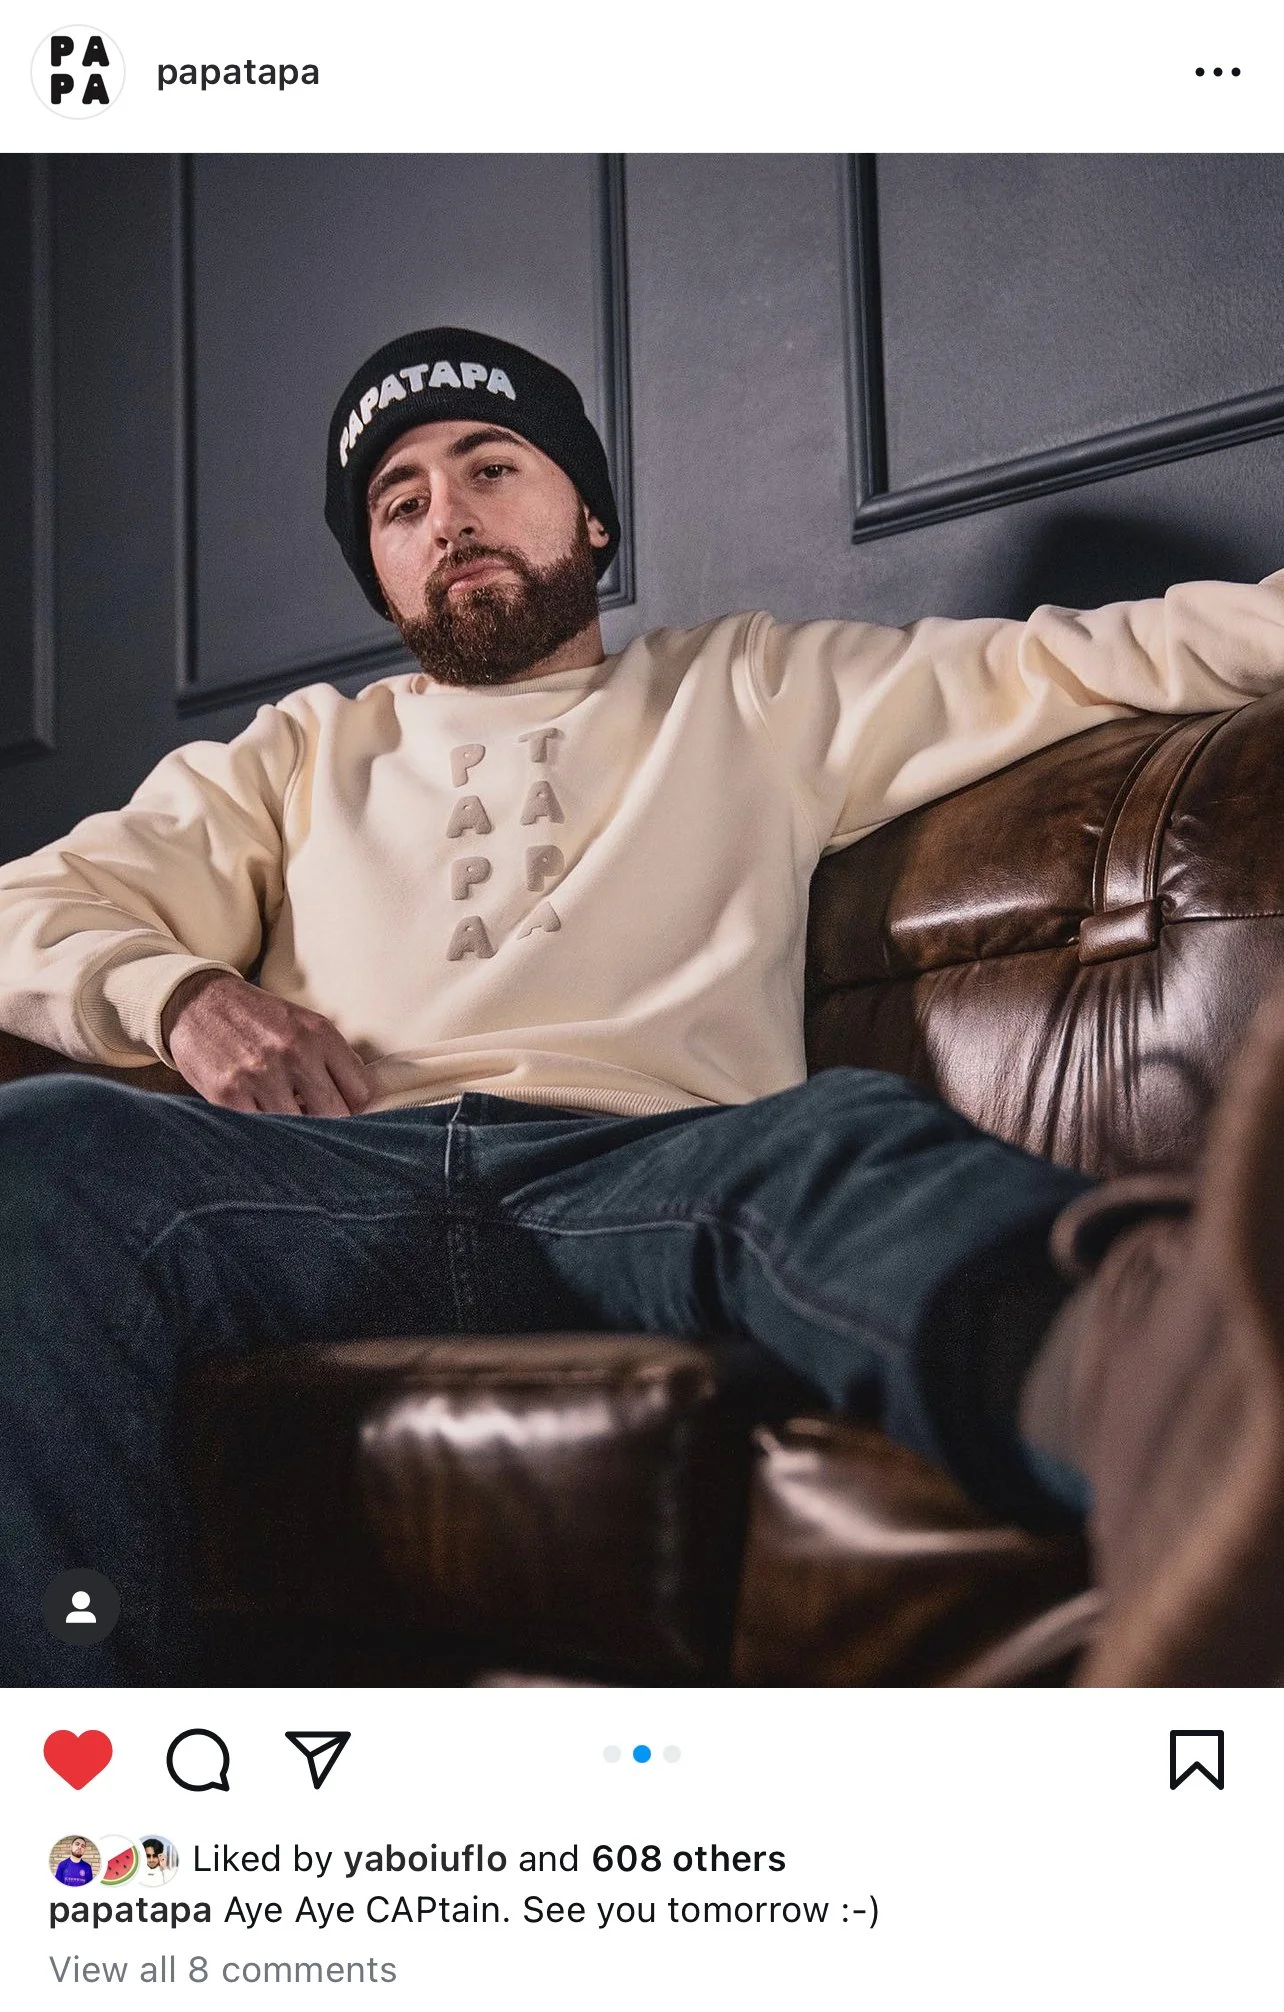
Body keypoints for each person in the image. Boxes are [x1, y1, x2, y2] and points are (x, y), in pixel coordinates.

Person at [2, 324, 1284, 1689]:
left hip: (647, 1164)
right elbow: (27, 904)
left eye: (492, 468)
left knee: (836, 1135)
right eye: (402, 502)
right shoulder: (301, 751)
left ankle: (1205, 1435)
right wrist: (180, 990)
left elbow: (1096, 657)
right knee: (45, 1155)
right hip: (332, 1182)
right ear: (380, 566)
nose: (450, 519)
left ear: (591, 516)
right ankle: (84, 1776)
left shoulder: (751, 687)